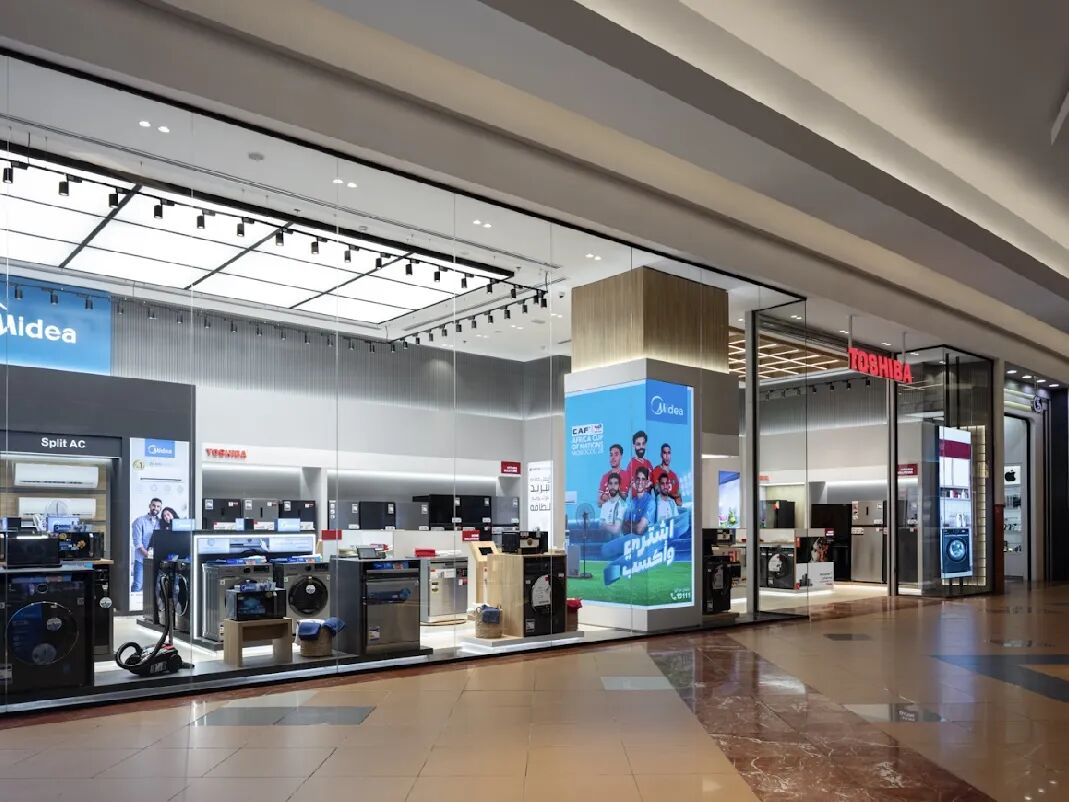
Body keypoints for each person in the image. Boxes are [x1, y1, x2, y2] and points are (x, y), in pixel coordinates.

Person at [131, 497, 162, 593]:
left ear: (160, 508)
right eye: (153, 505)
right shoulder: (139, 521)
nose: (155, 508)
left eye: (158, 506)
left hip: (157, 560)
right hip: (141, 560)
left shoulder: (161, 522)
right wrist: (148, 555)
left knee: (155, 587)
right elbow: (137, 543)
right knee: (138, 585)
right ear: (149, 506)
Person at [623, 466, 655, 535]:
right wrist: (637, 524)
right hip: (630, 540)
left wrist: (630, 524)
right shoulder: (632, 502)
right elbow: (623, 527)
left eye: (643, 479)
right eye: (638, 479)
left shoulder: (650, 501)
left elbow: (639, 529)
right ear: (634, 480)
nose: (640, 482)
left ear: (646, 482)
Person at [650, 443, 682, 508]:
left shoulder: (674, 476)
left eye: (669, 453)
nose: (667, 456)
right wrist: (674, 496)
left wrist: (677, 498)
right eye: (664, 453)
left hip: (673, 509)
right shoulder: (656, 471)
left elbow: (679, 502)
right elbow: (658, 491)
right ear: (661, 455)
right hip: (661, 508)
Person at [626, 431, 653, 497]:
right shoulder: (631, 465)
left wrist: (651, 483)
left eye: (643, 444)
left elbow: (653, 482)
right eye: (638, 444)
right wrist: (645, 485)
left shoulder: (649, 463)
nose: (641, 447)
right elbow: (632, 484)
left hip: (649, 500)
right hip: (637, 500)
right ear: (634, 446)